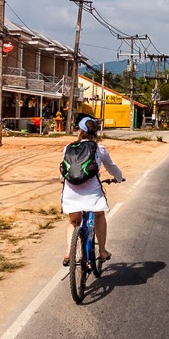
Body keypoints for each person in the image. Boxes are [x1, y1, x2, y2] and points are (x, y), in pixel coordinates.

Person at [61, 114, 123, 266]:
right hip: (92, 192)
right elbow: (112, 167)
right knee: (99, 216)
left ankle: (69, 251)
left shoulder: (68, 148)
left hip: (71, 191)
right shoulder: (99, 149)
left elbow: (64, 170)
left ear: (79, 131)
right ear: (95, 132)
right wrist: (119, 178)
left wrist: (63, 181)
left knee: (73, 220)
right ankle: (102, 251)